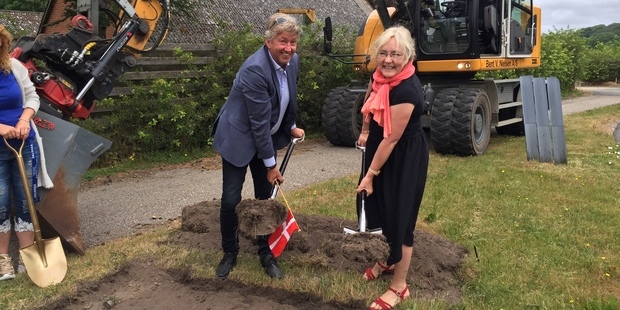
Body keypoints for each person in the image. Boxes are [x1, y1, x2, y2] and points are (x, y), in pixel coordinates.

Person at [211, 13, 304, 280]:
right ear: (268, 42)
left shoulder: (292, 61)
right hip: (239, 138)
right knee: (231, 199)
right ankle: (230, 252)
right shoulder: (255, 69)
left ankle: (266, 252)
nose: (288, 48)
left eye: (292, 42)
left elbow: (287, 98)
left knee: (266, 199)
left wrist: (290, 126)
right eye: (282, 42)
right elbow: (258, 123)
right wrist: (271, 166)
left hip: (265, 137)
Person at [356, 26, 429, 309]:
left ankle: (399, 286)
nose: (388, 60)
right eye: (383, 53)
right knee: (380, 208)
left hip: (402, 156)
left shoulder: (407, 89)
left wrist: (371, 174)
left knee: (400, 215)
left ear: (407, 56)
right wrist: (364, 129)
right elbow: (369, 102)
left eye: (395, 54)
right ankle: (386, 261)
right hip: (380, 149)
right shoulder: (380, 80)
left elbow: (393, 137)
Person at [0, 24, 51, 280]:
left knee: (25, 202)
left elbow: (32, 97)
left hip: (24, 142)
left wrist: (23, 121)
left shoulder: (14, 67)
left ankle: (28, 256)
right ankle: (3, 261)